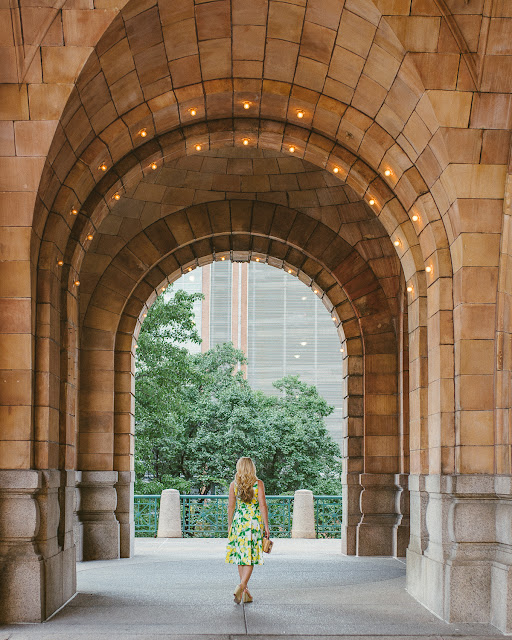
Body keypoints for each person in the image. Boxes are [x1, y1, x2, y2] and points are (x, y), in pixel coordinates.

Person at [225, 457, 270, 604]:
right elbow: (263, 506)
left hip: (239, 523)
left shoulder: (234, 485)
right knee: (250, 556)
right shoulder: (258, 484)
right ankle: (242, 586)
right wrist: (266, 526)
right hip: (253, 523)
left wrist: (230, 525)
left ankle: (245, 593)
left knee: (241, 556)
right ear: (252, 468)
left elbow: (231, 507)